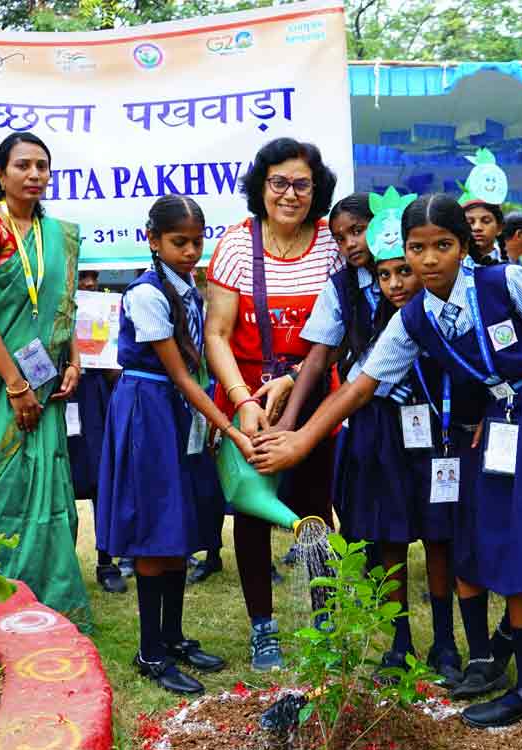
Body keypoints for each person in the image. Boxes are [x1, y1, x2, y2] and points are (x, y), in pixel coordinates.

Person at [251, 194, 522, 750]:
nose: (428, 260)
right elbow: (361, 386)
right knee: (513, 545)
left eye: (442, 246)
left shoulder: (505, 283)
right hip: (502, 425)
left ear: (464, 246)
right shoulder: (413, 320)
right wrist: (303, 438)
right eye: (416, 248)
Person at [287, 190, 464, 686]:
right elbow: (319, 357)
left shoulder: (434, 288)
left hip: (433, 423)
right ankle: (398, 640)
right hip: (375, 423)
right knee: (388, 533)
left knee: (438, 530)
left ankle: (446, 640)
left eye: (357, 230)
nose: (351, 243)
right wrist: (292, 426)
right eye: (340, 236)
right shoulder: (342, 288)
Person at [97, 195, 247, 695]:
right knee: (153, 523)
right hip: (150, 408)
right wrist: (226, 426)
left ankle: (174, 635)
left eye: (197, 242)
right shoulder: (146, 294)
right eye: (179, 242)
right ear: (153, 240)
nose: (189, 251)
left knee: (181, 519)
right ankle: (149, 650)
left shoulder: (190, 290)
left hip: (181, 409)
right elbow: (181, 375)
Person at [202, 137, 342, 671]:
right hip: (248, 399)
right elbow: (217, 333)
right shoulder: (237, 246)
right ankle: (264, 629)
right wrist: (242, 400)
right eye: (278, 182)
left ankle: (325, 622)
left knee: (313, 508)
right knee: (254, 510)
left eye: (301, 184)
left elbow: (341, 330)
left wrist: (296, 385)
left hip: (312, 398)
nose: (289, 194)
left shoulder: (331, 244)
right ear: (261, 187)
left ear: (316, 189)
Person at [0, 132, 91, 621]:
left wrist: (73, 362)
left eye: (42, 166)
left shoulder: (55, 233)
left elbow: (62, 308)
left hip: (47, 379)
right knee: (6, 484)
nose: (34, 175)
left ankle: (51, 599)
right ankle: (5, 599)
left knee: (50, 485)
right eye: (23, 166)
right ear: (1, 174)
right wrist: (16, 385)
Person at [68, 269, 126, 594]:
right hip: (60, 400)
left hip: (94, 401)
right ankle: (64, 564)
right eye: (81, 277)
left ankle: (107, 563)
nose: (88, 283)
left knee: (101, 480)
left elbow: (116, 374)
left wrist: (107, 358)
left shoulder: (104, 310)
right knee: (60, 486)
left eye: (93, 276)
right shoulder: (48, 309)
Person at [463, 199, 505, 265]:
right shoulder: (452, 265)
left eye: (486, 221)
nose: (477, 227)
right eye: (470, 222)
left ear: (499, 228)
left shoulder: (509, 270)